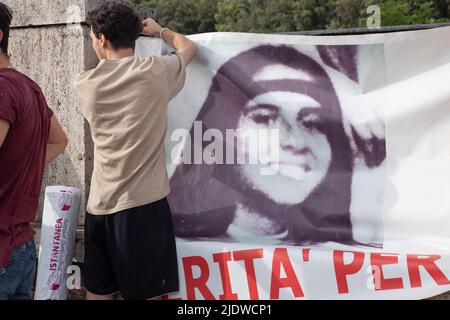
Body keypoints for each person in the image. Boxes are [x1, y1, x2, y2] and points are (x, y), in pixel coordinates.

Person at [168, 44, 386, 246]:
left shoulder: (347, 257)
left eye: (312, 123)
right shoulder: (175, 246)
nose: (296, 141)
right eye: (263, 119)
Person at [73, 1, 197, 300]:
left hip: (99, 208)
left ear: (101, 39)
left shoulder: (85, 84)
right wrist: (160, 32)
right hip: (143, 208)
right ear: (134, 37)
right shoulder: (155, 72)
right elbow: (188, 48)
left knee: (98, 294)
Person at [0, 2, 69, 300]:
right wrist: (21, 165)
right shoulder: (28, 86)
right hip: (21, 246)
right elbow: (58, 141)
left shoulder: (3, 88)